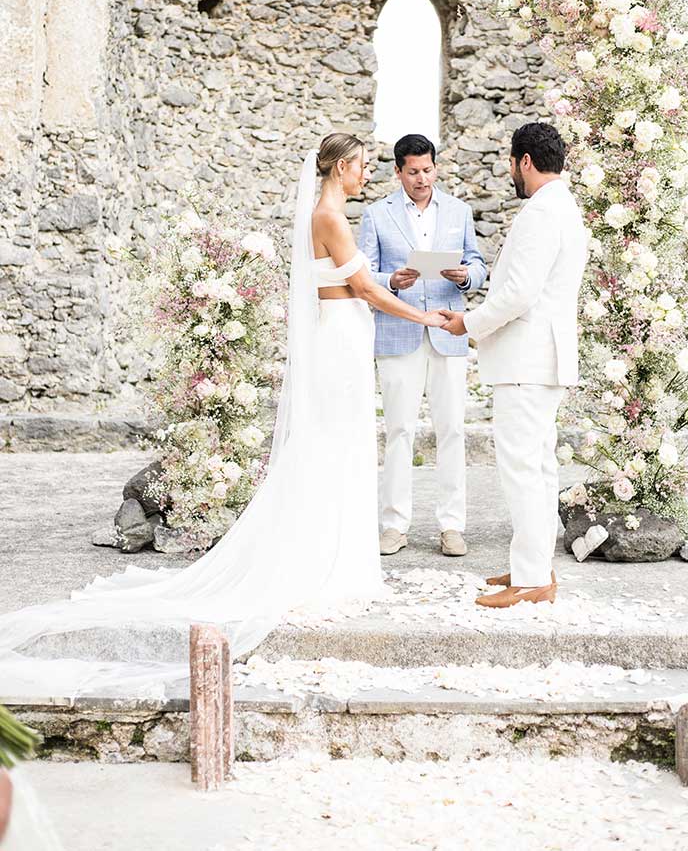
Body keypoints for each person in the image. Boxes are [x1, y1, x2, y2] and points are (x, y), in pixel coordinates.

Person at [0, 134, 448, 699]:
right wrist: (426, 318)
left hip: (344, 337)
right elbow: (363, 288)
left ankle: (333, 554)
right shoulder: (330, 216)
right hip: (340, 341)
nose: (366, 176)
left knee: (340, 447)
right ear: (338, 168)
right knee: (333, 448)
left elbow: (355, 286)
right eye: (361, 166)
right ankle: (326, 563)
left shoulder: (329, 213)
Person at [442, 123, 587, 608]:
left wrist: (469, 323)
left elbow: (519, 295)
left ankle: (531, 578)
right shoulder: (565, 207)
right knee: (539, 467)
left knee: (523, 468)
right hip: (543, 357)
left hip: (527, 358)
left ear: (524, 161)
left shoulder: (541, 212)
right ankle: (535, 563)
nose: (511, 171)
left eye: (511, 162)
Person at [359, 134, 487, 558]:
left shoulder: (459, 210)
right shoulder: (376, 216)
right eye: (413, 171)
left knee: (452, 430)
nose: (422, 178)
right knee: (398, 430)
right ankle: (394, 525)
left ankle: (452, 526)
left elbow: (480, 264)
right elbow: (363, 274)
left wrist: (465, 276)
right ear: (398, 171)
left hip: (448, 331)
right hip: (398, 333)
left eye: (428, 170)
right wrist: (390, 281)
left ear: (436, 167)